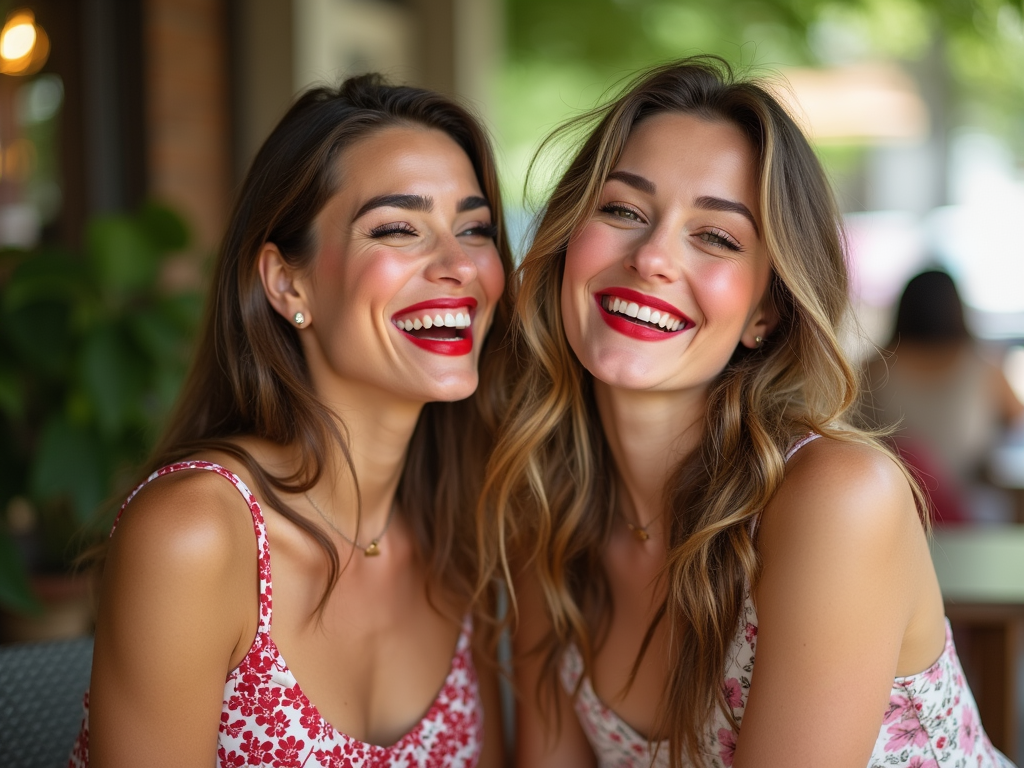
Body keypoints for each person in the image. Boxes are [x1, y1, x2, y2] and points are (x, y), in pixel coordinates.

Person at [479, 58, 1014, 767]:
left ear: (765, 311)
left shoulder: (836, 499)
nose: (653, 258)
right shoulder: (546, 508)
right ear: (569, 242)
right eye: (623, 210)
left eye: (717, 237)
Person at [70, 74, 512, 768]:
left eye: (475, 229)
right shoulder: (197, 534)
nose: (459, 266)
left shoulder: (456, 527)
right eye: (399, 228)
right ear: (286, 282)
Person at [864, 269, 1024, 524]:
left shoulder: (873, 368)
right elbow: (1017, 418)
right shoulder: (983, 368)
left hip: (891, 508)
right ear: (958, 309)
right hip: (967, 512)